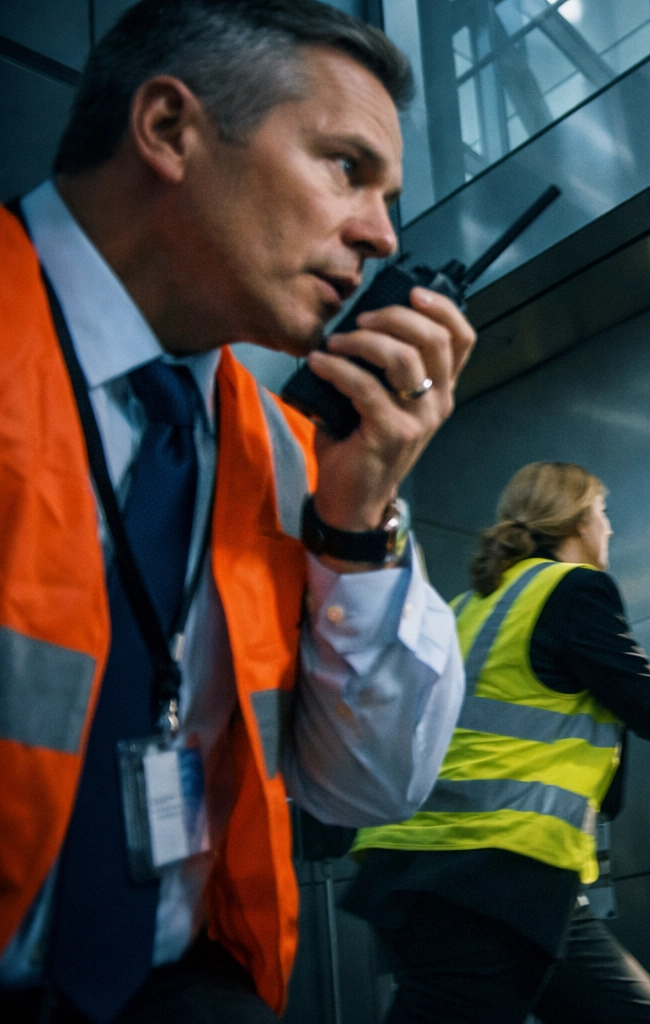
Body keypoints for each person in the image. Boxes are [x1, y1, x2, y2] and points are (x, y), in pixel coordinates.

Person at [0, 2, 473, 1021]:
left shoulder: (293, 455)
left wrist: (359, 526)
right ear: (170, 128)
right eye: (347, 167)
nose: (382, 232)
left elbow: (368, 790)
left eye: (387, 195)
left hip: (183, 989)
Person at [344, 462, 650, 1024]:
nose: (609, 528)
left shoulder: (469, 604)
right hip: (486, 872)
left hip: (457, 868)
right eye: (603, 512)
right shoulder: (572, 589)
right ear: (575, 520)